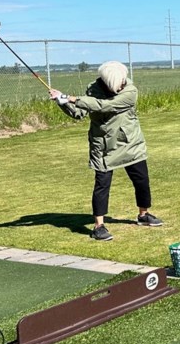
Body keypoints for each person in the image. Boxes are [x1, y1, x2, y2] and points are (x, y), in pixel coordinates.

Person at [50, 61, 163, 241]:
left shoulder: (130, 91)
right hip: (103, 146)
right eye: (117, 84)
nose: (120, 86)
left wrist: (71, 98)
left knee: (141, 180)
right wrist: (61, 100)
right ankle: (99, 226)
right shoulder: (93, 89)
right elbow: (78, 113)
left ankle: (143, 214)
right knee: (102, 185)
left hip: (130, 142)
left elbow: (105, 106)